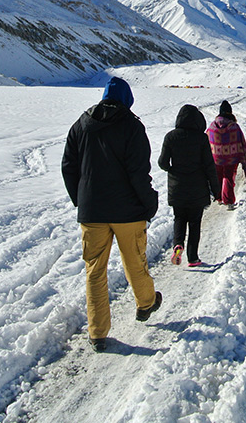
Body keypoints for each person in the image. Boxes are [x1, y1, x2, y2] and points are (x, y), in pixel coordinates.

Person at [61, 76, 162, 353]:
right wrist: (149, 203)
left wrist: (81, 198)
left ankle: (97, 333)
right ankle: (145, 303)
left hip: (92, 212)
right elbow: (139, 173)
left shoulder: (81, 125)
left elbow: (68, 166)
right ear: (127, 99)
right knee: (134, 262)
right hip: (128, 212)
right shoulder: (132, 126)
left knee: (95, 272)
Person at [158, 104, 222, 267]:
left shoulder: (170, 137)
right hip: (197, 188)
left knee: (179, 218)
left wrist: (173, 171)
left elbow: (162, 162)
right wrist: (216, 191)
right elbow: (209, 166)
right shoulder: (201, 138)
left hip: (177, 188)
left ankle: (178, 244)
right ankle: (193, 258)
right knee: (195, 223)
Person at [206, 100, 246, 210]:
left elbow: (207, 141)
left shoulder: (212, 126)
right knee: (229, 177)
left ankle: (220, 198)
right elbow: (242, 143)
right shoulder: (234, 126)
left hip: (216, 158)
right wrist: (244, 159)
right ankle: (229, 201)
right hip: (231, 158)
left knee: (219, 177)